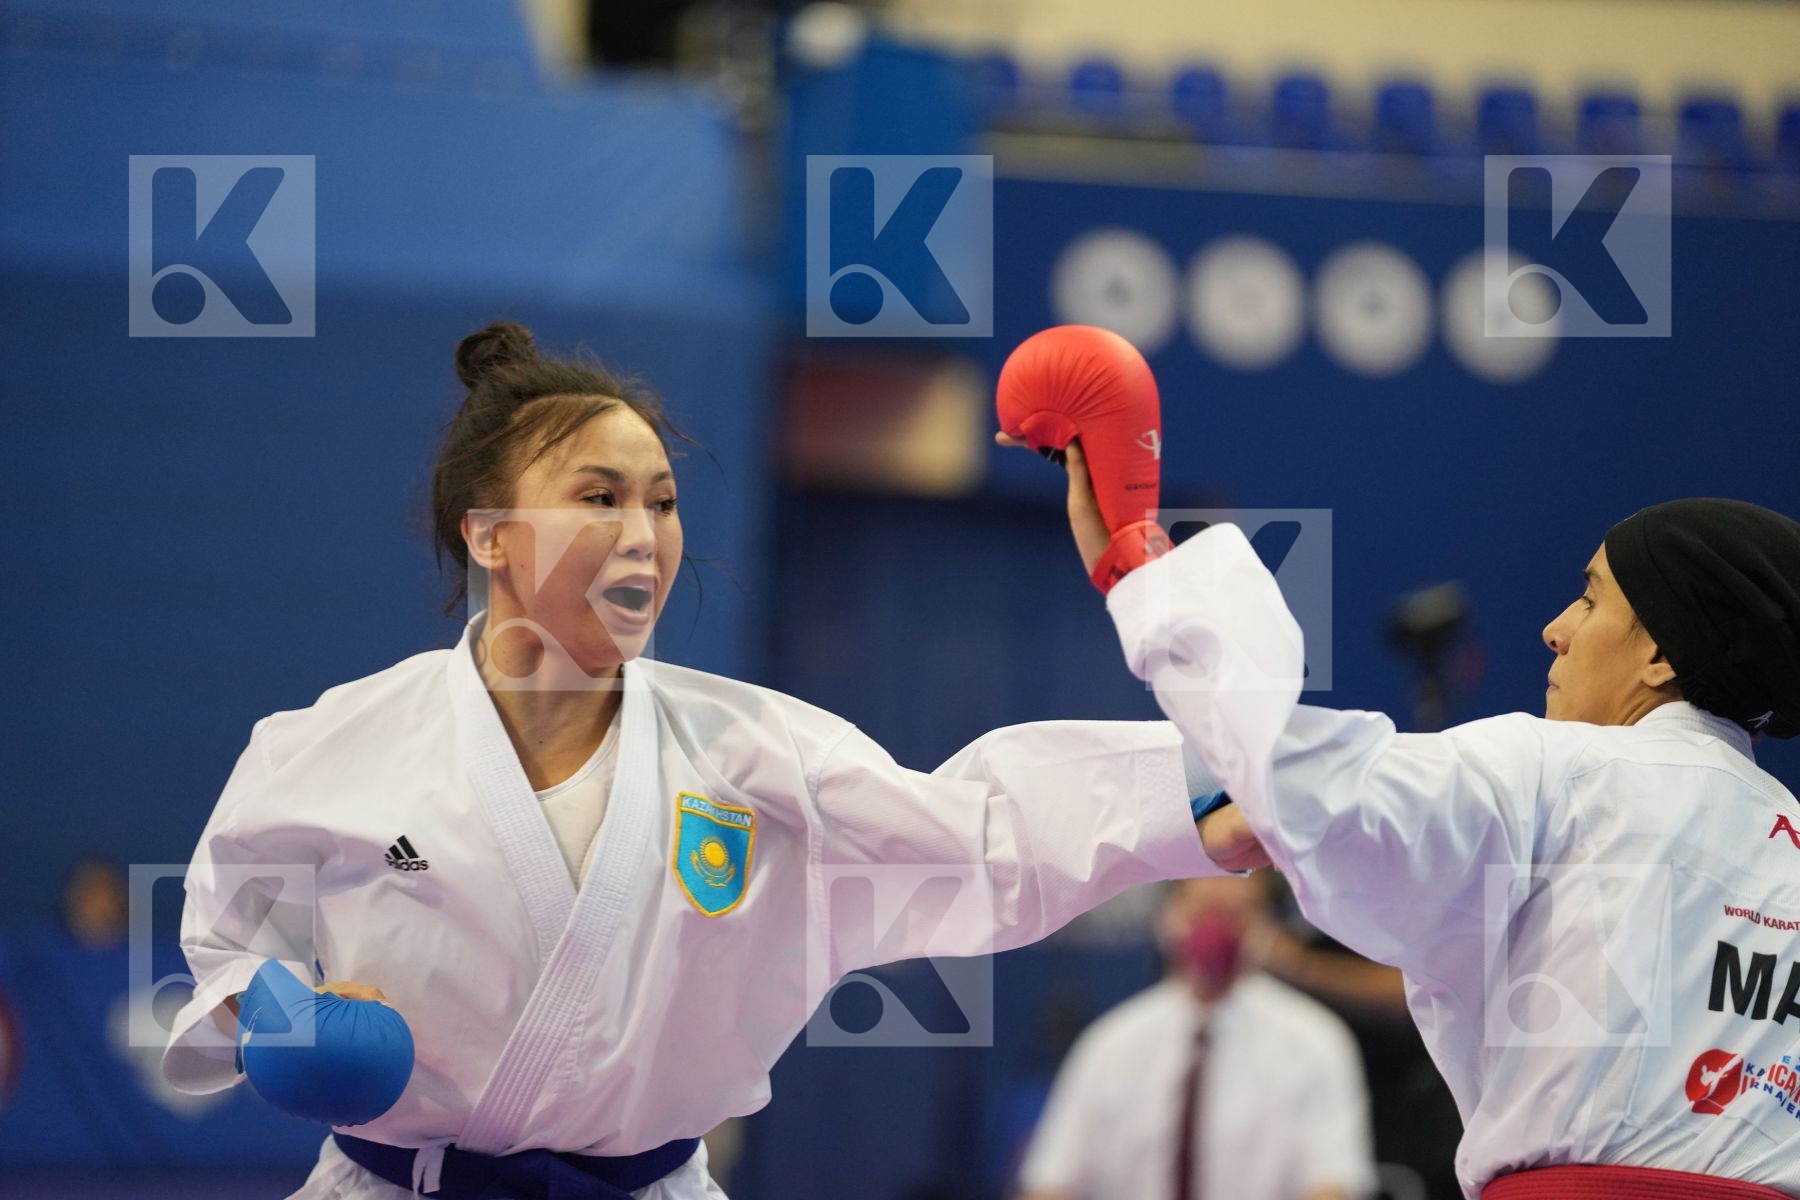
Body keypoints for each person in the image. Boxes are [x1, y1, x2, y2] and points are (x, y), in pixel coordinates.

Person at [160, 323, 1244, 1200]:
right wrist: (274, 1012)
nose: (646, 533)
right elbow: (224, 931)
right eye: (600, 496)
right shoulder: (329, 746)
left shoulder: (755, 756)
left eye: (663, 502)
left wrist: (1208, 799)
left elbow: (979, 833)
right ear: (488, 535)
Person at [1025, 432, 1800, 1199]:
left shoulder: (1565, 773)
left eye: (1592, 598)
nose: (1556, 628)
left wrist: (1140, 572)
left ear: (1661, 656)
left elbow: (1293, 775)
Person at [1016, 874, 1377, 1200]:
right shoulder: (1112, 1044)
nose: (1215, 927)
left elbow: (1334, 1183)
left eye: (1235, 912)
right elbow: (1051, 1181)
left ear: (1266, 926)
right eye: (1203, 908)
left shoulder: (1314, 1042)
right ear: (1169, 917)